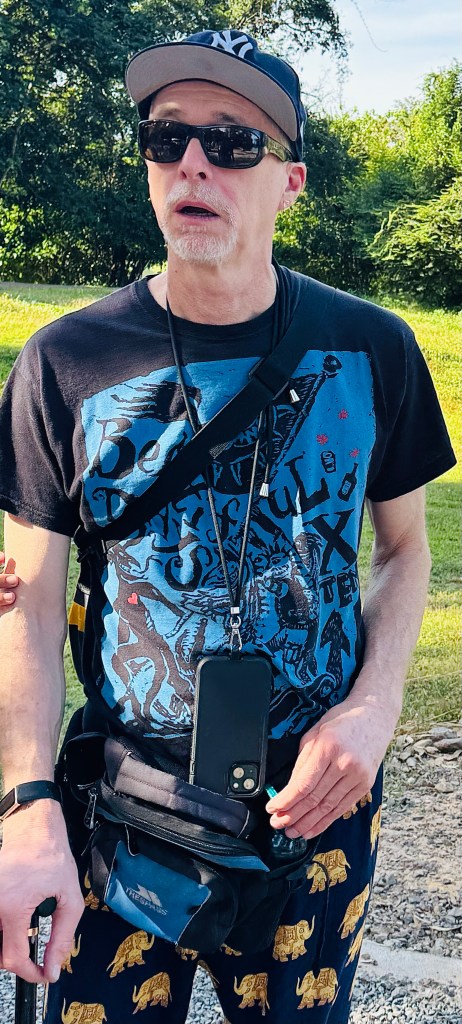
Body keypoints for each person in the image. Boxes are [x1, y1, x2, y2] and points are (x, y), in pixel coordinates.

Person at [0, 28, 455, 1024]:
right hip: (122, 807)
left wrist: (374, 709)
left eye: (234, 142)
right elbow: (25, 604)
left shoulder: (375, 349)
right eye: (168, 138)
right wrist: (27, 809)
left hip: (315, 811)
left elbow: (405, 549)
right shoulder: (63, 363)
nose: (195, 163)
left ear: (290, 182)